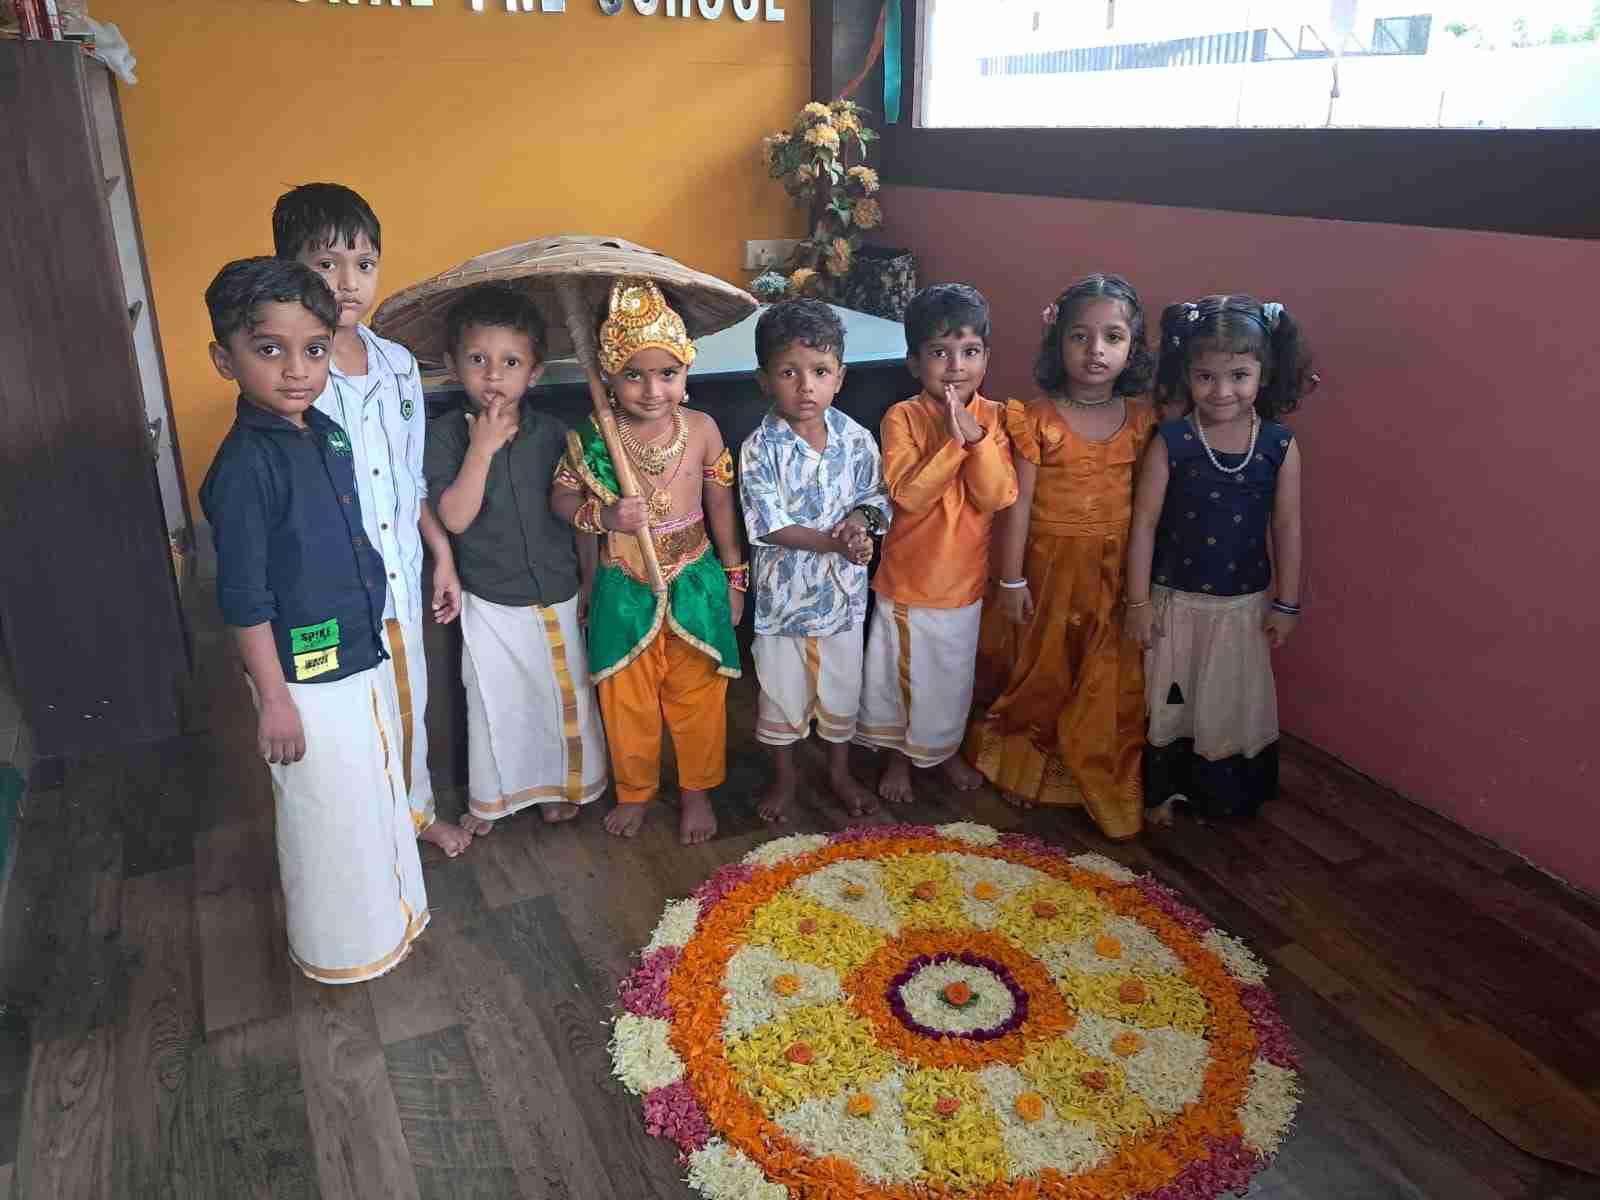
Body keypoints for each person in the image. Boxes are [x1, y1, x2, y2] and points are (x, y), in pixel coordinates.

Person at [200, 257, 427, 983]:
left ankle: (390, 919)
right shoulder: (242, 469)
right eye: (270, 350)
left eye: (315, 349)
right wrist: (274, 702)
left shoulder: (324, 431)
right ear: (223, 359)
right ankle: (341, 949)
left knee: (370, 793)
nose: (297, 370)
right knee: (326, 811)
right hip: (302, 677)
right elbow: (245, 597)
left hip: (357, 651)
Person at [272, 182, 470, 857]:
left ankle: (414, 811)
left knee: (408, 698)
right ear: (290, 270)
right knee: (338, 712)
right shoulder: (291, 377)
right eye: (326, 263)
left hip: (398, 572)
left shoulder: (397, 365)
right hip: (324, 584)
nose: (348, 282)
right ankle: (358, 831)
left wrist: (440, 553)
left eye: (363, 263)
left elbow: (408, 476)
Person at [964, 274, 1158, 839]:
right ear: (1059, 343)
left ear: (1132, 347)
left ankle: (1093, 773)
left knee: (1104, 673)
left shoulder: (1142, 420)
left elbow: (1147, 509)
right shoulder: (1036, 418)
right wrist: (1012, 580)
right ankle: (1023, 767)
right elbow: (1017, 507)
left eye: (1113, 337)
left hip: (1114, 569)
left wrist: (1143, 587)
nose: (1096, 351)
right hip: (1048, 568)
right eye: (1080, 336)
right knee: (1042, 667)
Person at [551, 279, 744, 846]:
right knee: (625, 696)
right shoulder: (591, 439)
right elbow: (560, 500)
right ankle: (634, 792)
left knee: (699, 695)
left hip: (694, 577)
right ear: (608, 376)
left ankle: (695, 793)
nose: (652, 389)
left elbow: (720, 505)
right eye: (633, 374)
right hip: (623, 582)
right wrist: (605, 518)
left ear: (686, 372)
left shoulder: (703, 430)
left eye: (667, 373)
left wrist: (734, 576)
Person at [424, 285, 609, 834]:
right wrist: (481, 447)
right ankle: (497, 797)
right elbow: (454, 517)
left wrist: (591, 579)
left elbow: (580, 516)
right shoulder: (445, 438)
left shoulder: (557, 435)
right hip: (489, 596)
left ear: (534, 372)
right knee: (496, 702)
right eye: (478, 360)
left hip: (558, 587)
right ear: (454, 367)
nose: (493, 376)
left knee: (562, 695)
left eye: (510, 362)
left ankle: (562, 788)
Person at [1125, 294, 1316, 823]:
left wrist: (1288, 604)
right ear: (1186, 375)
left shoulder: (1279, 445)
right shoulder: (1173, 441)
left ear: (1263, 373)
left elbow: (1287, 526)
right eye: (1206, 376)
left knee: (1227, 697)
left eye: (1238, 375)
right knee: (1171, 696)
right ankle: (1163, 790)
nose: (1222, 390)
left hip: (1242, 608)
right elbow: (1143, 523)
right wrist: (1137, 602)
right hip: (1173, 603)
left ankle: (1222, 793)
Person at [855, 284, 1018, 803]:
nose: (955, 366)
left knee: (951, 677)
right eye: (939, 353)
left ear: (986, 357)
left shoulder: (995, 418)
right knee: (904, 677)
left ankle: (943, 751)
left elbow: (995, 495)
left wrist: (977, 439)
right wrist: (954, 443)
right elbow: (909, 497)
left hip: (965, 580)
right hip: (910, 581)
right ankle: (901, 756)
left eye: (969, 352)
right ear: (913, 361)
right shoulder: (902, 417)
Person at [738, 300, 891, 822]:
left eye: (820, 372)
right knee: (781, 696)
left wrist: (862, 524)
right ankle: (786, 778)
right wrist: (835, 543)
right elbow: (770, 524)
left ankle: (840, 772)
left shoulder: (857, 440)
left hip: (843, 602)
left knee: (841, 691)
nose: (806, 387)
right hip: (783, 604)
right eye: (789, 372)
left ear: (839, 378)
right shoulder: (760, 448)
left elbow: (876, 497)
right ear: (764, 380)